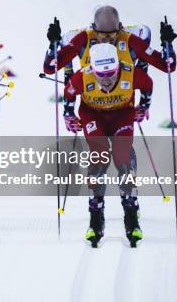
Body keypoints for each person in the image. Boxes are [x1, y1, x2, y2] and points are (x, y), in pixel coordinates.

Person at [63, 43, 153, 248]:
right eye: (100, 74)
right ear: (92, 68)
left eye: (111, 73)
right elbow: (68, 92)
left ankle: (131, 213)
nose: (106, 79)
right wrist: (69, 115)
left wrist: (144, 106)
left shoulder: (132, 74)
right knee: (99, 154)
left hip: (122, 114)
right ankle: (96, 217)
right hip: (93, 114)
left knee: (122, 154)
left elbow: (148, 84)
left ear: (119, 66)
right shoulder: (82, 76)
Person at [43, 5, 177, 77]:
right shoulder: (81, 38)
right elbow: (50, 68)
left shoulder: (131, 37)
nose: (107, 40)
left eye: (112, 34)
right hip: (92, 105)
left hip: (122, 103)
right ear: (93, 28)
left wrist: (167, 44)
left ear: (120, 27)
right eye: (101, 34)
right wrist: (53, 45)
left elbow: (167, 66)